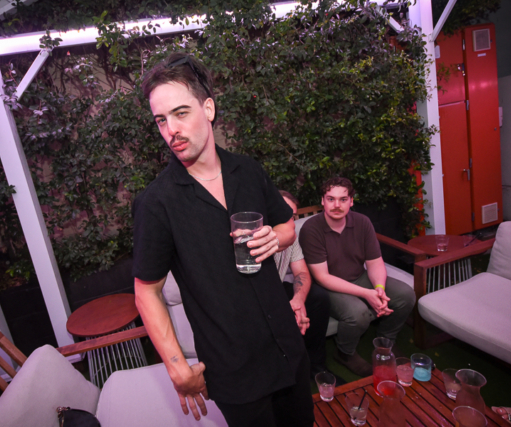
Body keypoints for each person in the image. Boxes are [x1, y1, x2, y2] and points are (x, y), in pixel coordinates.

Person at [132, 53, 314, 427]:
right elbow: (146, 291)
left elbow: (287, 227)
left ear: (209, 109)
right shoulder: (157, 203)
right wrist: (177, 367)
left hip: (287, 347)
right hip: (234, 369)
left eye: (181, 113)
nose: (171, 130)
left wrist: (273, 238)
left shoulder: (248, 170)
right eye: (161, 120)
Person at [299, 177, 415, 377]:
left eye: (343, 199)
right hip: (328, 286)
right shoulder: (311, 229)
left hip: (359, 276)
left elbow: (375, 262)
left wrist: (379, 288)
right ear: (322, 201)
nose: (337, 205)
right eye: (331, 199)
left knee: (405, 294)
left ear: (351, 201)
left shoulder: (362, 222)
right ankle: (345, 353)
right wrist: (366, 293)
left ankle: (386, 341)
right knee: (357, 313)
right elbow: (323, 277)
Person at [274, 191, 331, 378]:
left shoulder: (290, 237)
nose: (291, 222)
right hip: (253, 296)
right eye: (284, 214)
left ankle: (316, 366)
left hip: (277, 287)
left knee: (318, 297)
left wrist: (298, 300)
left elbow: (302, 273)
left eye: (292, 216)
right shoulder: (254, 239)